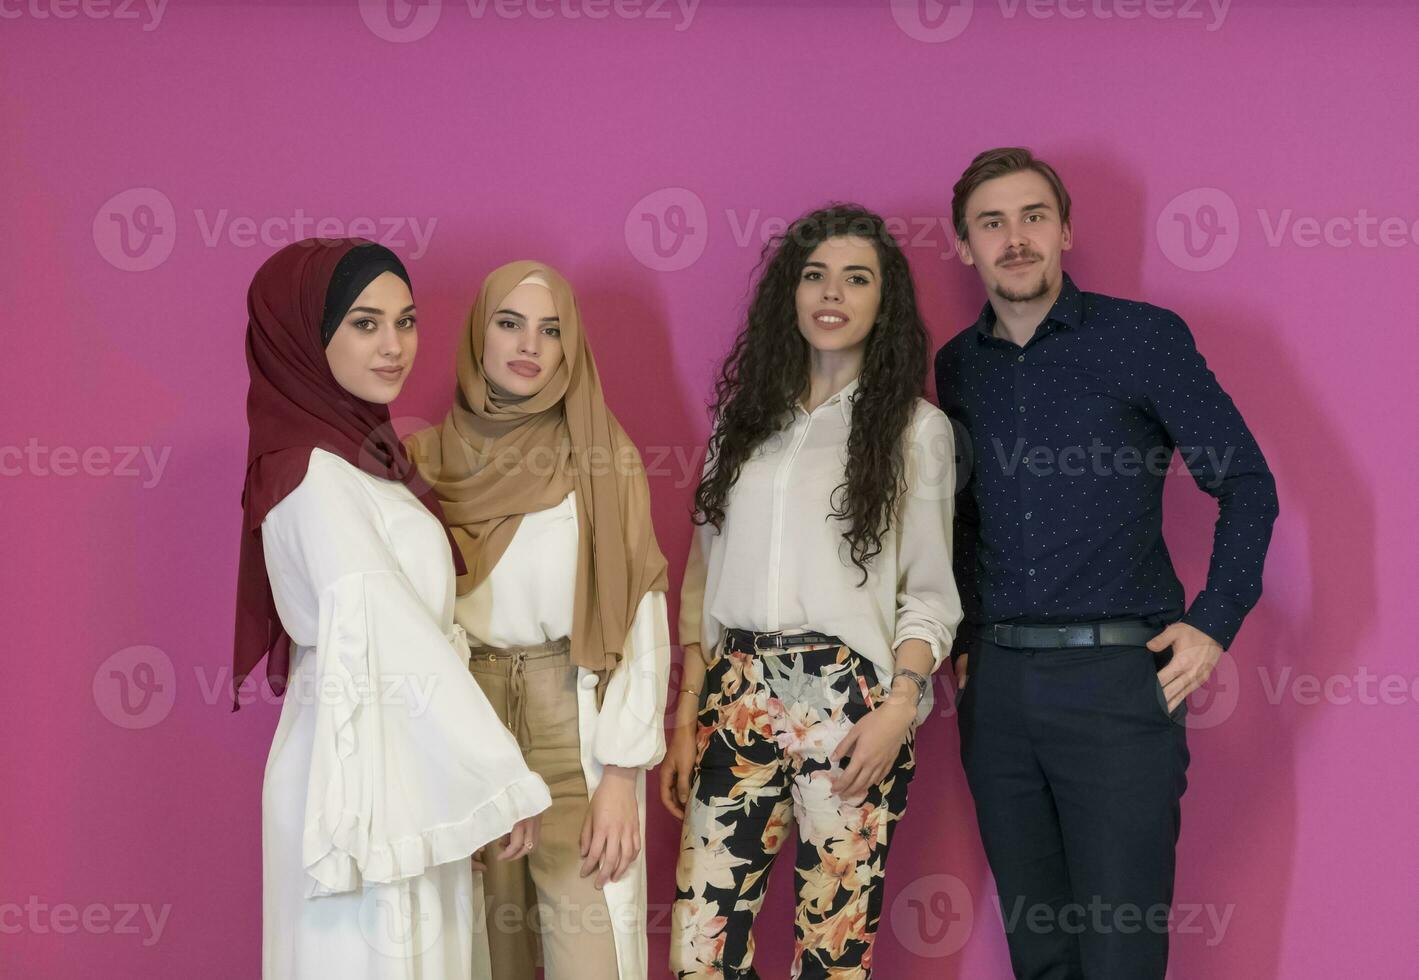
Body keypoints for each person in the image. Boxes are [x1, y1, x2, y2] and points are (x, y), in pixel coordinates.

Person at [935, 147, 1280, 978]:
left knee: (1120, 954)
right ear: (962, 245)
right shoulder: (955, 367)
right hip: (1000, 698)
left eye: (1031, 218)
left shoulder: (1141, 338)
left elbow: (1247, 483)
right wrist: (967, 641)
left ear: (1064, 231)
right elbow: (963, 516)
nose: (1013, 239)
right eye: (991, 223)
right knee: (1039, 951)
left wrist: (1212, 623)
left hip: (1120, 683)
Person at [233, 238, 551, 979]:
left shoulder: (360, 459)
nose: (394, 346)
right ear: (306, 338)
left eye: (405, 322)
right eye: (364, 323)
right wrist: (497, 776)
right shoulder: (312, 474)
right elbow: (387, 629)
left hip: (398, 758)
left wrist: (462, 779)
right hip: (359, 772)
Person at [661, 205, 963, 979]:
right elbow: (704, 573)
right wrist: (687, 712)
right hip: (735, 693)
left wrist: (898, 707)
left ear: (881, 301)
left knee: (833, 953)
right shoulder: (740, 425)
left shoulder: (913, 430)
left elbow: (928, 590)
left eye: (855, 278)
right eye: (814, 275)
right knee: (701, 949)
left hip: (849, 700)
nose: (831, 293)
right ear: (788, 294)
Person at [404, 261, 671, 979]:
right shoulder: (423, 460)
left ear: (568, 347)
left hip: (571, 720)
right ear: (477, 335)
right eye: (510, 323)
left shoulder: (601, 456)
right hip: (467, 723)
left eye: (550, 330)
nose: (529, 344)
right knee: (484, 951)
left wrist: (620, 776)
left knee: (592, 951)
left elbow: (643, 612)